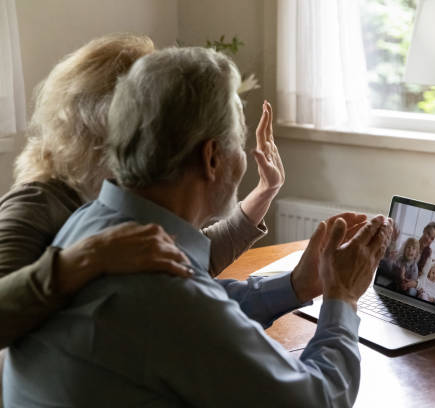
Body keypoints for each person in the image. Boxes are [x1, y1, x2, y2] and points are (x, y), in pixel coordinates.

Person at [3, 47, 394, 407]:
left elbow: (199, 305)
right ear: (211, 157)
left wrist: (296, 286)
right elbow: (316, 400)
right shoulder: (166, 295)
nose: (243, 160)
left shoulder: (92, 222)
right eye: (239, 145)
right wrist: (342, 298)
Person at [0, 34, 285, 389]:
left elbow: (172, 255)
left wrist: (261, 195)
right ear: (102, 115)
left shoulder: (125, 191)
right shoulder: (39, 200)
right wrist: (85, 259)